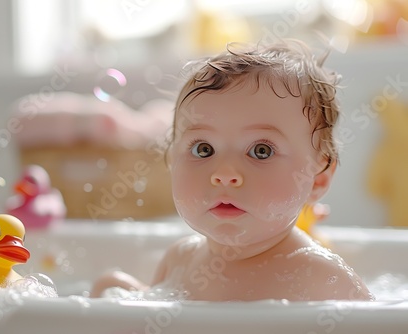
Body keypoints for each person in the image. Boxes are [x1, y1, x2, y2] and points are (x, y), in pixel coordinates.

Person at [91, 39, 374, 301]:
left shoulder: (320, 278)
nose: (224, 173)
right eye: (204, 149)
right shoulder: (179, 261)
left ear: (318, 179)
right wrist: (120, 293)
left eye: (261, 151)